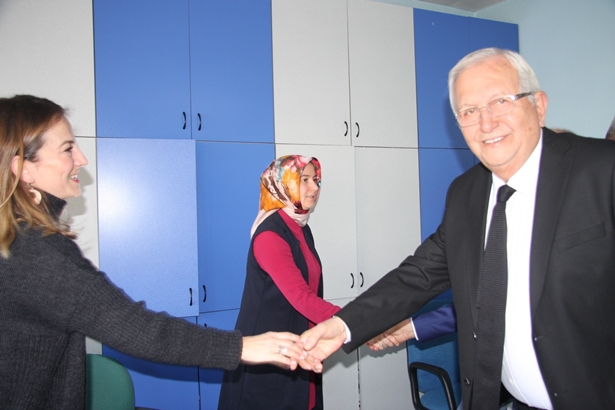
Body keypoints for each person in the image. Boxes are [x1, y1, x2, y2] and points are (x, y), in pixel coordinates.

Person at [301, 48, 615, 410]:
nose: (486, 123)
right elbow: (418, 275)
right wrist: (343, 326)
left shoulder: (602, 170)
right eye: (469, 111)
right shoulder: (465, 193)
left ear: (539, 106)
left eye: (500, 101)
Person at [0, 95, 306, 409]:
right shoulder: (36, 255)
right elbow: (135, 328)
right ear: (23, 169)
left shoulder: (19, 245)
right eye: (67, 149)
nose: (82, 158)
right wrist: (242, 347)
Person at [218, 155, 340, 410]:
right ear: (283, 184)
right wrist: (356, 321)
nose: (314, 187)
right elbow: (302, 298)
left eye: (316, 180)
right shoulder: (270, 235)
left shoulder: (301, 228)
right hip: (268, 358)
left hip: (300, 347)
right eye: (304, 180)